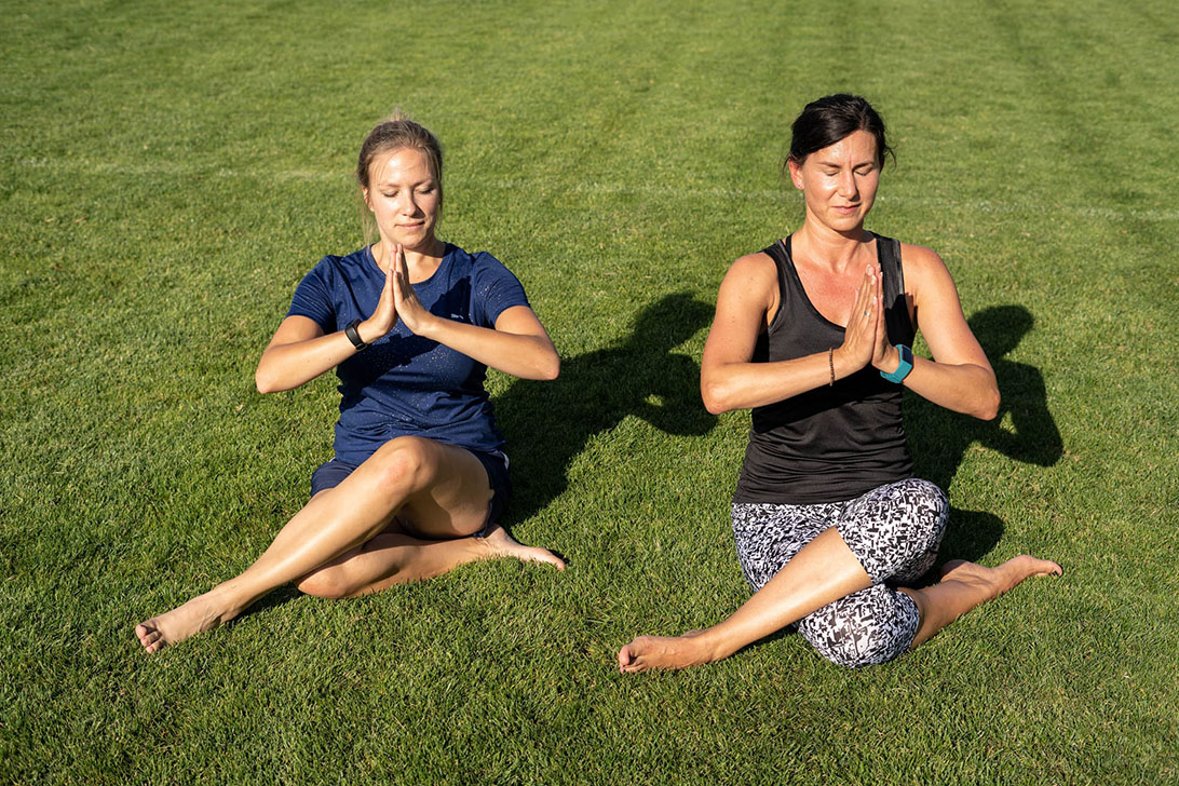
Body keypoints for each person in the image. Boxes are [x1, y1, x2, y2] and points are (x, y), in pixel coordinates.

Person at [617, 94, 1060, 672]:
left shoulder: (917, 269)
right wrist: (841, 360)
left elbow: (984, 399)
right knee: (857, 636)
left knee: (923, 505)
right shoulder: (758, 275)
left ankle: (714, 641)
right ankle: (974, 583)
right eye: (829, 171)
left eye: (864, 169)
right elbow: (717, 389)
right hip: (778, 512)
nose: (848, 190)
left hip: (889, 506)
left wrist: (894, 362)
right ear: (796, 173)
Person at [136, 115, 564, 654]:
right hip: (360, 466)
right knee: (321, 578)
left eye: (423, 188)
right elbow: (271, 375)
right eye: (392, 192)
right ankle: (479, 551)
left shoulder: (478, 274)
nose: (409, 207)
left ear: (440, 190)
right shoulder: (335, 277)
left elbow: (543, 362)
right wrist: (366, 332)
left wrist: (429, 322)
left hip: (456, 475)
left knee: (405, 456)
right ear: (368, 197)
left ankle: (223, 599)